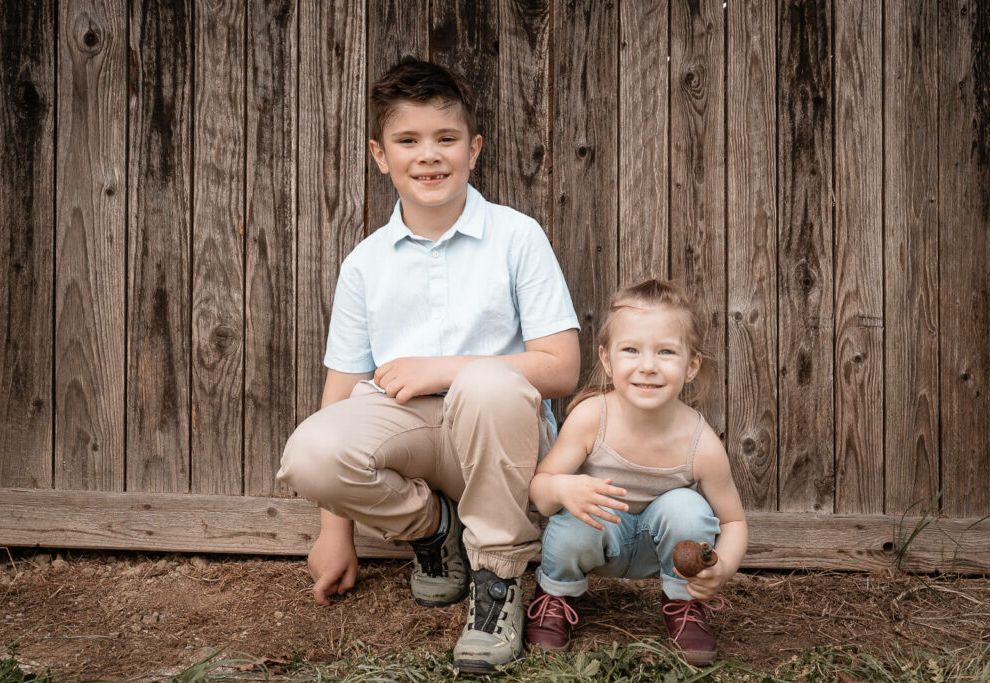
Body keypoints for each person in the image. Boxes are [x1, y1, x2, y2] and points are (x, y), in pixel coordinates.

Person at [276, 57, 580, 672]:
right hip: (411, 438)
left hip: (498, 445)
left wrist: (444, 369)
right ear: (379, 155)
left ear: (475, 148)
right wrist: (336, 531)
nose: (429, 155)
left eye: (446, 139)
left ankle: (498, 580)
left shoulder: (517, 237)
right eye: (407, 140)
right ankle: (433, 534)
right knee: (310, 451)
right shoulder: (366, 262)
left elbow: (561, 368)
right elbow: (339, 391)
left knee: (491, 382)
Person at [523, 278, 747, 665]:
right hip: (599, 535)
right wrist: (564, 489)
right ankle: (556, 597)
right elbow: (539, 492)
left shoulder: (701, 443)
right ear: (608, 361)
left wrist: (722, 567)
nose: (648, 366)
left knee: (686, 507)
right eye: (631, 350)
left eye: (665, 352)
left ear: (691, 365)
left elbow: (734, 521)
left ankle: (684, 603)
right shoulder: (592, 417)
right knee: (577, 506)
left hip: (661, 548)